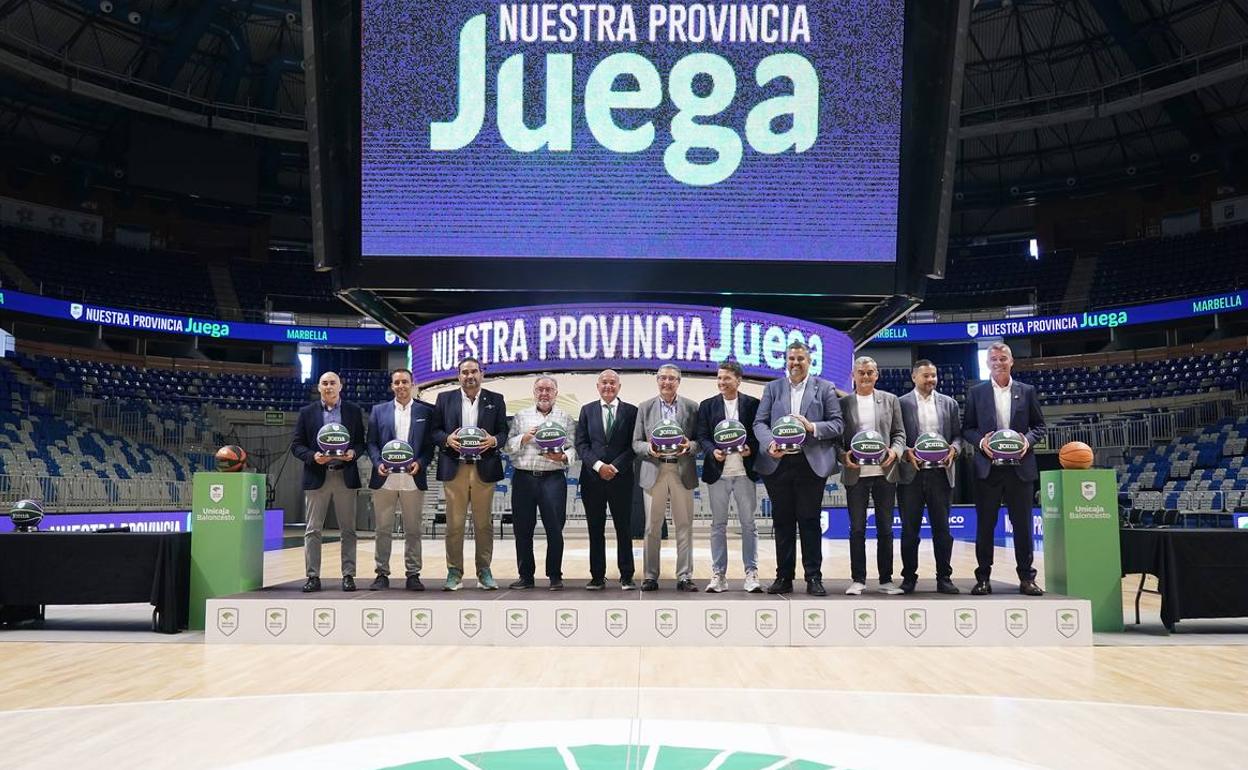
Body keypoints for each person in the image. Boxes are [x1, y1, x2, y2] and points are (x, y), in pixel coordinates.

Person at [754, 341, 843, 596]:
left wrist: (811, 426)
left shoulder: (825, 388)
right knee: (782, 522)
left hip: (809, 462)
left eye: (800, 359)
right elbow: (759, 422)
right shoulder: (772, 388)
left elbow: (837, 424)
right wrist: (770, 442)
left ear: (809, 361)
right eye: (791, 358)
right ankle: (784, 577)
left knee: (809, 520)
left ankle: (813, 577)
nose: (795, 363)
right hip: (778, 462)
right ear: (786, 360)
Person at [962, 341, 1047, 596]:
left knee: (1022, 526)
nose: (998, 363)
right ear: (987, 363)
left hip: (1020, 468)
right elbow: (967, 428)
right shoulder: (976, 393)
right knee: (985, 526)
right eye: (994, 359)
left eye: (1003, 358)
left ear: (1011, 362)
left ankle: (1026, 578)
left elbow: (1040, 427)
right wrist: (982, 442)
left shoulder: (1027, 390)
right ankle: (983, 578)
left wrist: (1026, 441)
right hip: (987, 469)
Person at [430, 356, 508, 591]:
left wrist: (494, 440)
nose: (470, 376)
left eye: (474, 371)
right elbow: (434, 431)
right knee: (454, 524)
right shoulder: (444, 399)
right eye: (465, 372)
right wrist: (447, 439)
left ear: (482, 374)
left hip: (484, 467)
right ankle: (454, 571)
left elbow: (504, 431)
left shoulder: (496, 399)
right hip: (456, 467)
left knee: (483, 524)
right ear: (458, 376)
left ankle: (484, 571)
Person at [290, 371, 366, 593]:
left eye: (333, 383)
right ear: (319, 387)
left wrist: (353, 452)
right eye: (325, 383)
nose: (329, 387)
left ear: (340, 386)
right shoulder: (307, 413)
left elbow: (361, 443)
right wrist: (312, 456)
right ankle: (313, 576)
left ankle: (348, 575)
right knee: (313, 530)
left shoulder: (353, 411)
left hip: (345, 475)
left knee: (348, 530)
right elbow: (296, 445)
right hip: (318, 476)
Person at [838, 355, 907, 596]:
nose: (865, 376)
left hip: (884, 472)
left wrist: (895, 452)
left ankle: (886, 579)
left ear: (876, 375)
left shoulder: (891, 400)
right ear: (853, 376)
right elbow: (837, 440)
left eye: (869, 372)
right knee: (857, 528)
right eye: (861, 372)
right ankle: (858, 579)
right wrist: (842, 455)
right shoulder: (843, 403)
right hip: (856, 473)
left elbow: (899, 434)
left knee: (885, 528)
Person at [365, 368, 435, 591]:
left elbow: (428, 446)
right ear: (391, 386)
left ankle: (413, 573)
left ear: (412, 384)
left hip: (412, 479)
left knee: (413, 530)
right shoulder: (378, 411)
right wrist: (378, 464)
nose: (401, 386)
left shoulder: (425, 411)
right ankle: (381, 573)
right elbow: (372, 443)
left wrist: (420, 463)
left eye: (405, 382)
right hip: (385, 479)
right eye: (397, 382)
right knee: (382, 529)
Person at [695, 360, 762, 593]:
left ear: (738, 380)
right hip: (718, 473)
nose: (722, 382)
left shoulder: (753, 404)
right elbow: (701, 435)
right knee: (718, 525)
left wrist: (750, 448)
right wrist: (712, 450)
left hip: (745, 472)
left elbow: (757, 432)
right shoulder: (707, 405)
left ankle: (751, 573)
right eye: (719, 378)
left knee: (749, 525)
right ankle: (718, 574)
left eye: (727, 378)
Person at [897, 359, 963, 594]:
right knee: (909, 530)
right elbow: (896, 435)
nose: (931, 380)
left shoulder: (950, 403)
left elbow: (957, 436)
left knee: (942, 530)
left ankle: (944, 577)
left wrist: (954, 450)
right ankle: (908, 577)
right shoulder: (900, 403)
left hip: (940, 474)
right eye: (926, 376)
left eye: (933, 375)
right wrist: (905, 451)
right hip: (911, 474)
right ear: (914, 377)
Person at [632, 363, 699, 591]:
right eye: (662, 378)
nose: (666, 382)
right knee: (652, 526)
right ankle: (650, 575)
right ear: (657, 380)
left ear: (678, 382)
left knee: (684, 525)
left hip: (681, 470)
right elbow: (636, 442)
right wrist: (649, 449)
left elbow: (700, 440)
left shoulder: (692, 407)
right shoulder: (645, 407)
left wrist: (690, 445)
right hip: (655, 469)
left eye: (671, 378)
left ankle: (684, 576)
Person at [504, 375, 574, 591]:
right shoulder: (520, 416)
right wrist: (523, 438)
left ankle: (555, 575)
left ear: (556, 393)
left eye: (549, 389)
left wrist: (562, 457)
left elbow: (573, 448)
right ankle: (526, 576)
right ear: (534, 392)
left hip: (553, 479)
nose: (544, 393)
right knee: (522, 530)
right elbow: (507, 446)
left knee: (555, 529)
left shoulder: (566, 418)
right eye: (540, 389)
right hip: (524, 478)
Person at [574, 369, 638, 590]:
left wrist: (615, 467)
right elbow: (581, 445)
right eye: (604, 383)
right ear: (597, 386)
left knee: (624, 528)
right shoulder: (586, 411)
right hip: (593, 479)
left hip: (622, 479)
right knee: (595, 528)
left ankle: (627, 575)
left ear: (619, 387)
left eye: (613, 383)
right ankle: (597, 576)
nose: (608, 386)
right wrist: (600, 466)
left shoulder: (632, 411)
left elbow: (634, 445)